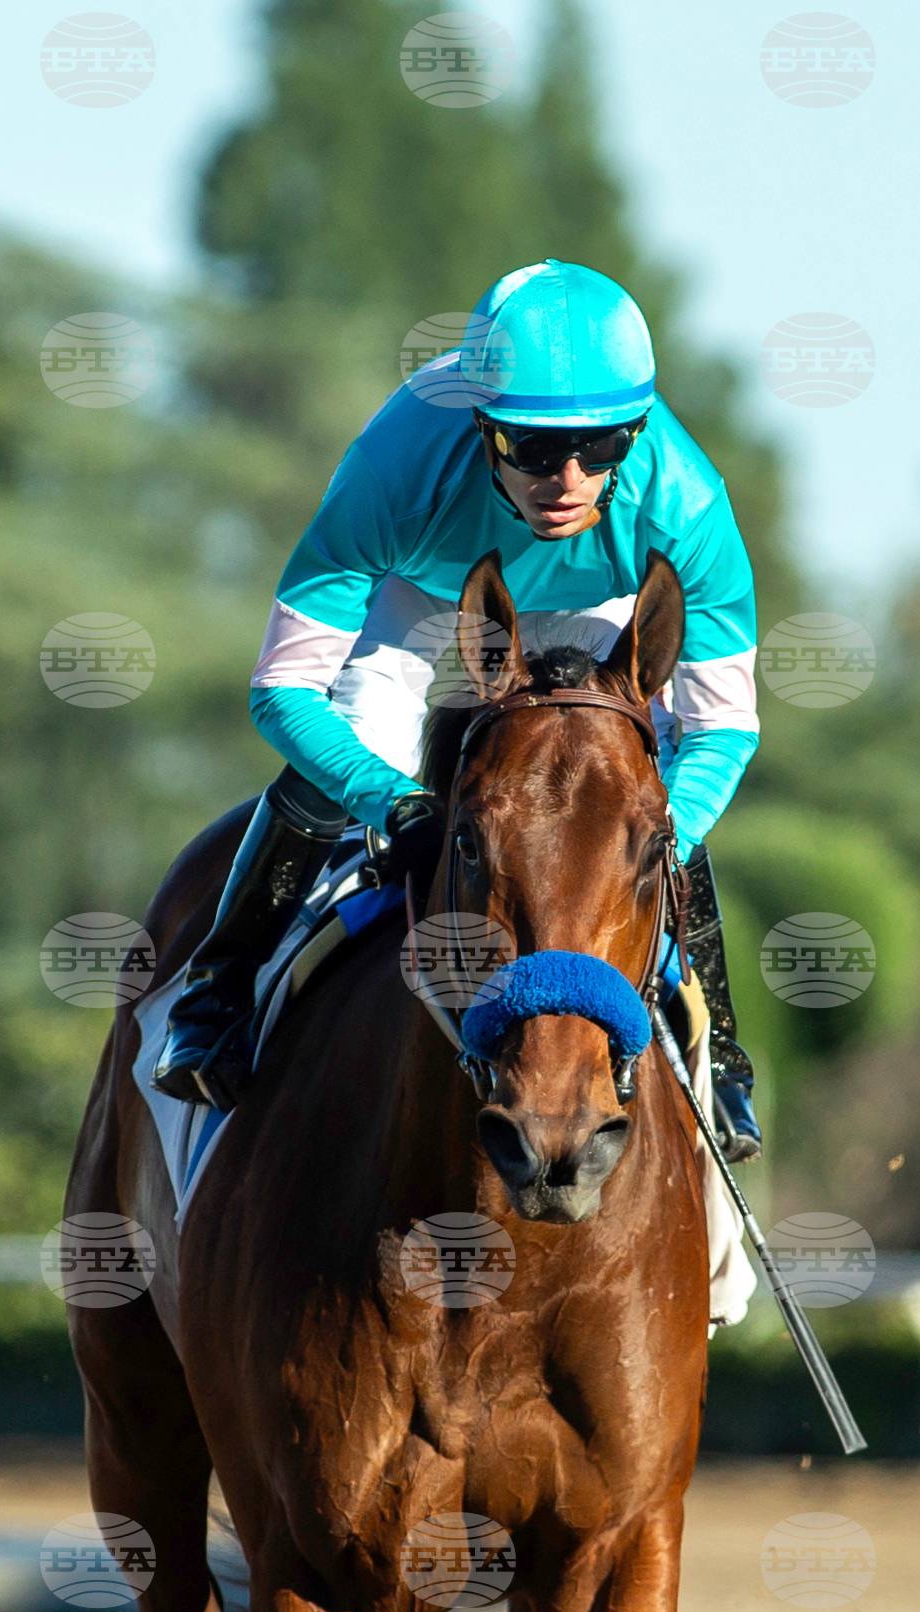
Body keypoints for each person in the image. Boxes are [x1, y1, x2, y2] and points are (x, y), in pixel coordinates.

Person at [153, 259, 764, 1147]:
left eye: (602, 448)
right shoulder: (395, 468)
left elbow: (724, 730)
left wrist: (662, 823)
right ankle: (218, 989)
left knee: (633, 794)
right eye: (533, 449)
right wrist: (392, 801)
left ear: (636, 431)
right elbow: (283, 689)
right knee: (357, 738)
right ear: (482, 427)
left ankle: (724, 1058)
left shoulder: (687, 504)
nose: (568, 480)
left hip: (604, 600)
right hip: (425, 586)